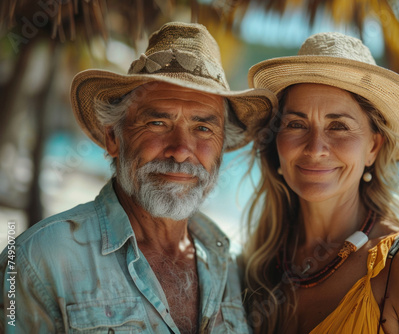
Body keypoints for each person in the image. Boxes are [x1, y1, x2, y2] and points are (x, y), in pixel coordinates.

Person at [0, 22, 276, 333]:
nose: (181, 150)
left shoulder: (231, 266)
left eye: (203, 128)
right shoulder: (37, 260)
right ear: (113, 138)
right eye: (158, 122)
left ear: (222, 148)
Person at [243, 32, 399, 333]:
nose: (315, 148)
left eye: (339, 126)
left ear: (373, 147)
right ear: (276, 142)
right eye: (296, 124)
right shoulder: (258, 266)